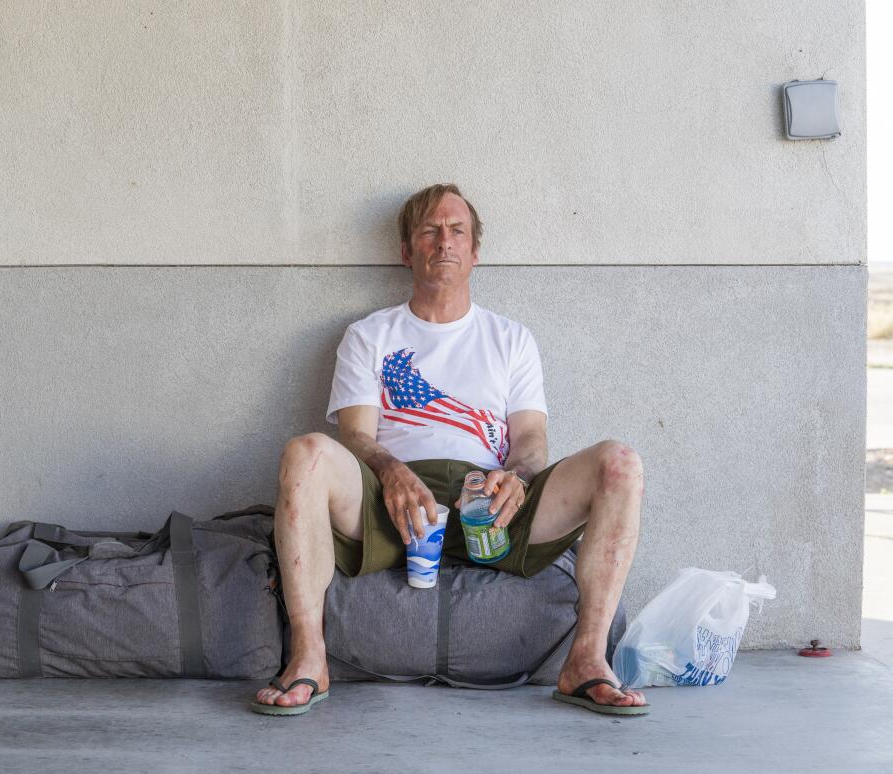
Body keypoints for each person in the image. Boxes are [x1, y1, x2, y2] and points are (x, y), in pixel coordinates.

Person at [249, 183, 648, 717]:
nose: (444, 242)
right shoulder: (371, 335)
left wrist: (518, 476)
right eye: (430, 231)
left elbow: (531, 441)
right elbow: (356, 437)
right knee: (305, 453)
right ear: (407, 251)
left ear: (475, 251)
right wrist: (391, 472)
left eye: (457, 230)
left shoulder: (511, 339)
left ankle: (588, 661)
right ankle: (308, 658)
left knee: (619, 463)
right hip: (393, 507)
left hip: (494, 507)